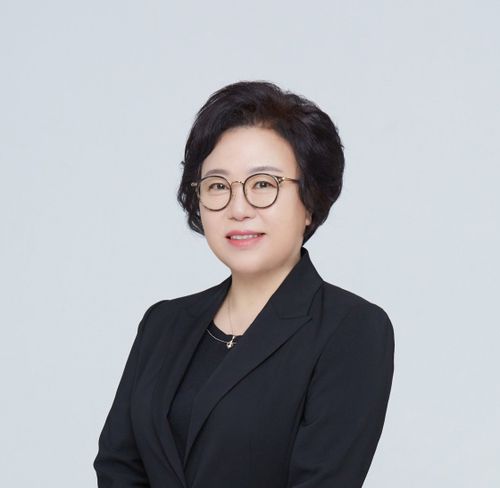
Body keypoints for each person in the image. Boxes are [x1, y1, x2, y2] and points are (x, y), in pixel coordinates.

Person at [93, 80, 395, 488]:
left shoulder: (352, 330)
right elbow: (118, 468)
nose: (238, 208)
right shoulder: (162, 323)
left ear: (310, 201)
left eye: (263, 184)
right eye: (218, 185)